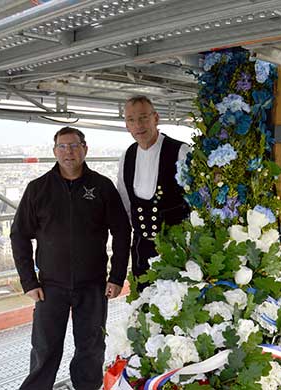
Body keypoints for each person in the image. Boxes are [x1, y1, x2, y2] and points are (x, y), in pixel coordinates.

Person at [11, 126, 131, 390]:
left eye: (74, 146)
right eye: (62, 147)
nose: (69, 152)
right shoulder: (38, 189)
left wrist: (117, 276)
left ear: (85, 149)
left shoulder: (102, 186)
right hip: (50, 286)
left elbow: (122, 231)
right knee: (44, 350)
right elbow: (19, 235)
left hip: (93, 284)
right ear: (54, 151)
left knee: (90, 349)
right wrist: (29, 282)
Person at [117, 96, 191, 287]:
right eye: (131, 120)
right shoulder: (127, 156)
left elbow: (198, 202)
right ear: (126, 125)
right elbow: (125, 204)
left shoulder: (181, 151)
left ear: (156, 118)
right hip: (142, 251)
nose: (138, 125)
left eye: (143, 117)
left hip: (178, 250)